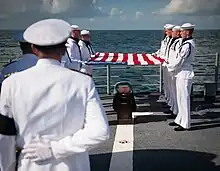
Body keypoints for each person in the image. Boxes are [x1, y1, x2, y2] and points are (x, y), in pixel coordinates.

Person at [0, 18, 109, 171]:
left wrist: (7, 168)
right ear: (64, 49)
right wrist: (56, 149)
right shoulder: (82, 82)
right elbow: (100, 132)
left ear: (34, 48)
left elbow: (5, 138)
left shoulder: (11, 84)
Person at [167, 23, 196, 131]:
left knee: (184, 99)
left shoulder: (188, 45)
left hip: (185, 73)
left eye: (182, 31)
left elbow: (179, 61)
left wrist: (170, 67)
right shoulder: (185, 43)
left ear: (187, 32)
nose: (180, 33)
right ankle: (179, 119)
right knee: (180, 98)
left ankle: (185, 123)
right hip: (181, 73)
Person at [153, 24, 175, 108]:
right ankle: (169, 101)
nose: (166, 32)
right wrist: (156, 54)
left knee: (171, 86)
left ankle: (172, 104)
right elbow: (162, 50)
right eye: (165, 30)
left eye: (167, 30)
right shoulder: (166, 40)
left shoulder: (173, 41)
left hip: (169, 65)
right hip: (165, 64)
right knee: (166, 84)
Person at [166, 26, 182, 118]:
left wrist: (171, 66)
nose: (171, 32)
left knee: (175, 91)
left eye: (173, 31)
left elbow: (177, 58)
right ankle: (173, 108)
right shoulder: (173, 41)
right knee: (171, 89)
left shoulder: (179, 42)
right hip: (170, 66)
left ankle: (176, 111)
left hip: (174, 69)